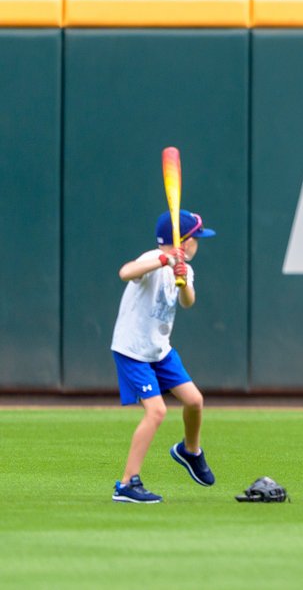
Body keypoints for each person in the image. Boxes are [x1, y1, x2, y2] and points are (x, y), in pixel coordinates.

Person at [110, 209, 218, 503]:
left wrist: (182, 278)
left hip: (160, 350)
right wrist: (162, 261)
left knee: (195, 401)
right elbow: (125, 272)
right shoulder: (151, 260)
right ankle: (126, 484)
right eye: (196, 238)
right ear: (183, 241)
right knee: (156, 411)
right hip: (133, 350)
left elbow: (188, 302)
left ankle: (189, 451)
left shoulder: (185, 266)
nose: (199, 243)